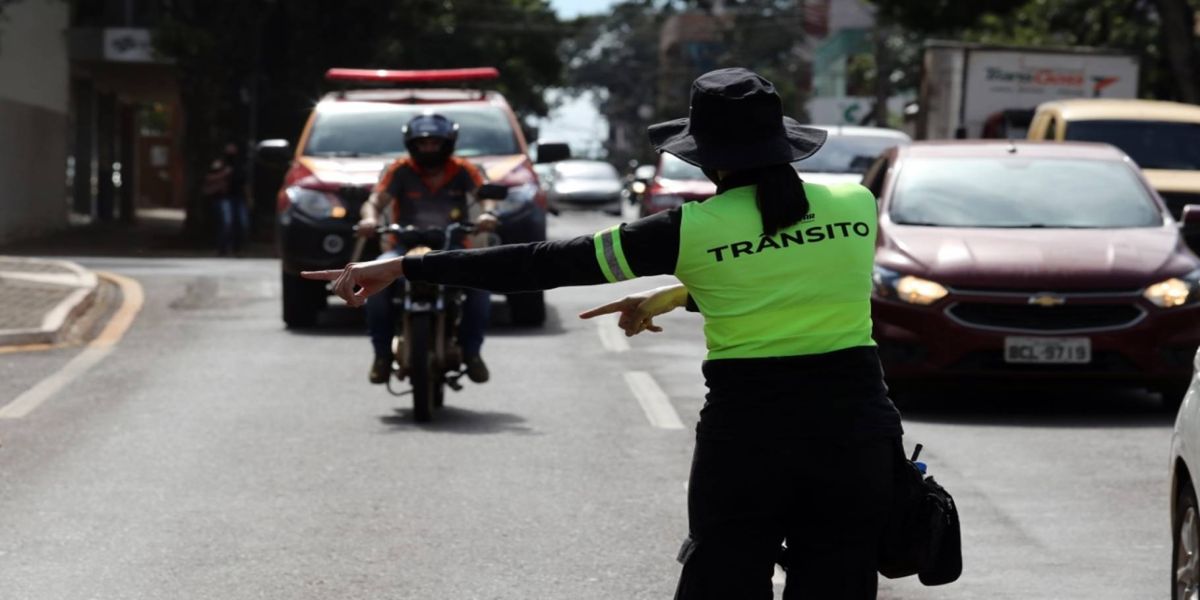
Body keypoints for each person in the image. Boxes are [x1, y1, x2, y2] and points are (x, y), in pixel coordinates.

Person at [304, 68, 904, 599]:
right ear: (784, 142)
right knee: (841, 580)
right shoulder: (854, 204)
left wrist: (408, 264)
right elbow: (793, 275)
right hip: (857, 431)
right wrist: (673, 293)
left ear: (706, 157)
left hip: (751, 436)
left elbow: (539, 262)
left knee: (726, 577)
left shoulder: (687, 231)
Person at [356, 112, 498, 386]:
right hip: (402, 249)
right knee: (373, 282)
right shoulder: (400, 170)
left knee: (481, 283)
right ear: (412, 144)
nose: (429, 148)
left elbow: (486, 198)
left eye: (435, 142)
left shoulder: (462, 169)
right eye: (423, 143)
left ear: (448, 143)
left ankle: (472, 353)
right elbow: (374, 201)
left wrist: (488, 215)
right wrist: (369, 219)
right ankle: (382, 356)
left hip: (453, 247)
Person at [203, 142, 252, 257]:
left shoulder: (240, 164)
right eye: (229, 147)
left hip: (239, 197)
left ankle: (237, 248)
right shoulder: (219, 163)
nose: (231, 150)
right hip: (224, 197)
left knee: (243, 223)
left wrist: (249, 198)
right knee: (227, 222)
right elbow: (208, 177)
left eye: (233, 147)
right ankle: (222, 248)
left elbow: (245, 183)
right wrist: (223, 174)